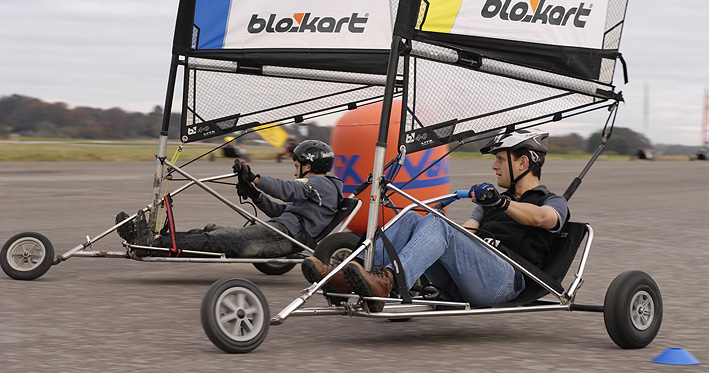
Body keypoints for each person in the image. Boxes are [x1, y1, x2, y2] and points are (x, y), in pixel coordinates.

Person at [302, 129, 569, 312]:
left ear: (523, 163)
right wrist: (430, 228)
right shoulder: (491, 202)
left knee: (440, 225)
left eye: (500, 160)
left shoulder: (552, 201)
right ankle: (350, 274)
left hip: (504, 283)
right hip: (467, 277)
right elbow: (464, 234)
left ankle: (387, 282)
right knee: (414, 219)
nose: (494, 167)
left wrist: (501, 203)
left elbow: (542, 220)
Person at [116, 140, 343, 258]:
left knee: (220, 240)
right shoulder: (312, 189)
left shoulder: (322, 185)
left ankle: (150, 246)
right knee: (209, 232)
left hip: (283, 237)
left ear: (308, 165)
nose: (295, 172)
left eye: (296, 167)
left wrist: (255, 179)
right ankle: (153, 240)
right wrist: (256, 195)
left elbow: (286, 189)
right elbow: (280, 212)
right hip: (280, 231)